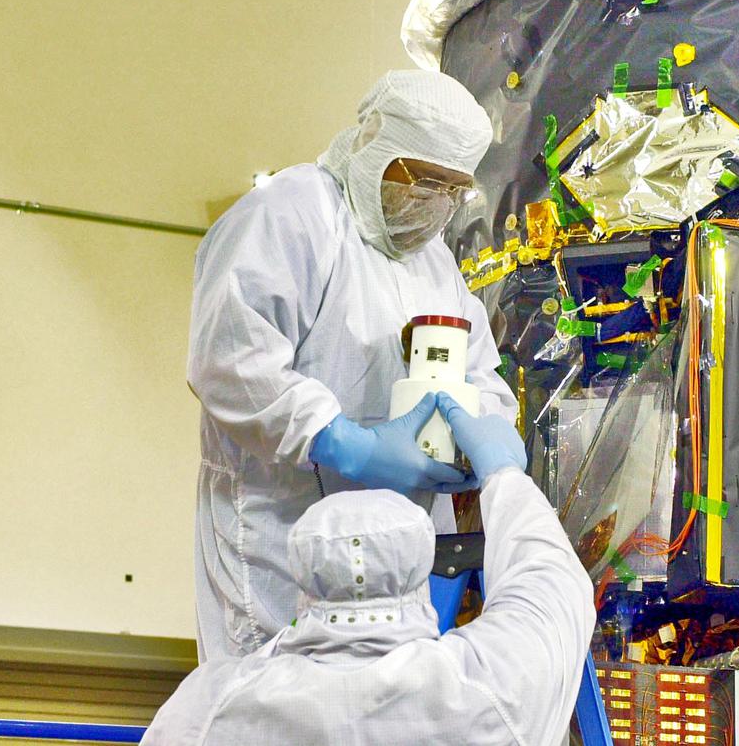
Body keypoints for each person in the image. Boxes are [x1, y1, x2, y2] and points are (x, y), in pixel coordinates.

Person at [188, 69, 518, 660]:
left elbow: (479, 372)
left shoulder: (435, 264)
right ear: (374, 144)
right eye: (423, 180)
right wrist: (344, 443)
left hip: (404, 564)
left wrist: (483, 433)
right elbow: (232, 361)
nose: (437, 203)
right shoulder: (292, 214)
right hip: (281, 543)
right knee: (279, 709)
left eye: (454, 189)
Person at [141, 395, 595, 746]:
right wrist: (503, 476)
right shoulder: (488, 691)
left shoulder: (211, 707)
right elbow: (552, 584)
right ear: (421, 567)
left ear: (303, 571)